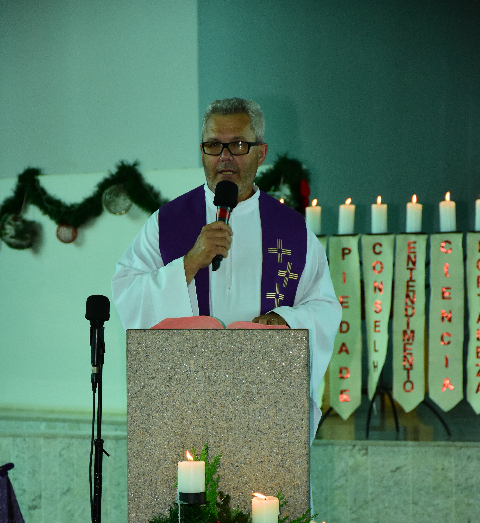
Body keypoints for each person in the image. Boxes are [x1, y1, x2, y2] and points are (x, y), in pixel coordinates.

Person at [111, 97, 341, 440]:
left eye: (237, 145)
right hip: (187, 399)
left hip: (265, 401)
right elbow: (127, 292)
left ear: (261, 153)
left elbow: (324, 307)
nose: (224, 157)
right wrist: (190, 262)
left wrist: (287, 321)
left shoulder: (291, 230)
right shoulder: (168, 222)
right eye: (213, 145)